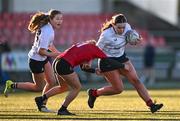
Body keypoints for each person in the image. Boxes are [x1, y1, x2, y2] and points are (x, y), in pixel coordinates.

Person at [87, 13, 163, 113]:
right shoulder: (106, 35)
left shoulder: (127, 27)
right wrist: (89, 62)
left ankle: (151, 105)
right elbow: (96, 51)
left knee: (136, 80)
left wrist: (136, 40)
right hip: (107, 61)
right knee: (118, 89)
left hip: (121, 58)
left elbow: (132, 38)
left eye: (123, 27)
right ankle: (94, 93)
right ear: (113, 25)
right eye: (119, 28)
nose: (122, 30)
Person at [34, 40, 127, 115]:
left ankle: (41, 99)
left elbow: (83, 67)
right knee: (77, 87)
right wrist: (122, 66)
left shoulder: (82, 45)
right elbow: (107, 61)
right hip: (64, 64)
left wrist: (94, 71)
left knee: (64, 87)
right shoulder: (96, 49)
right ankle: (62, 109)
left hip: (58, 61)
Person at [3, 9, 62, 111]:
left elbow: (49, 45)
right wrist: (55, 54)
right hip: (36, 60)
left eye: (61, 19)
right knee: (38, 87)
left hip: (42, 59)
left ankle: (42, 104)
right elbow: (41, 51)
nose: (60, 21)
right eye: (57, 19)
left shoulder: (48, 28)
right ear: (51, 19)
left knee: (52, 81)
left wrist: (59, 54)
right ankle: (11, 85)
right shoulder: (48, 31)